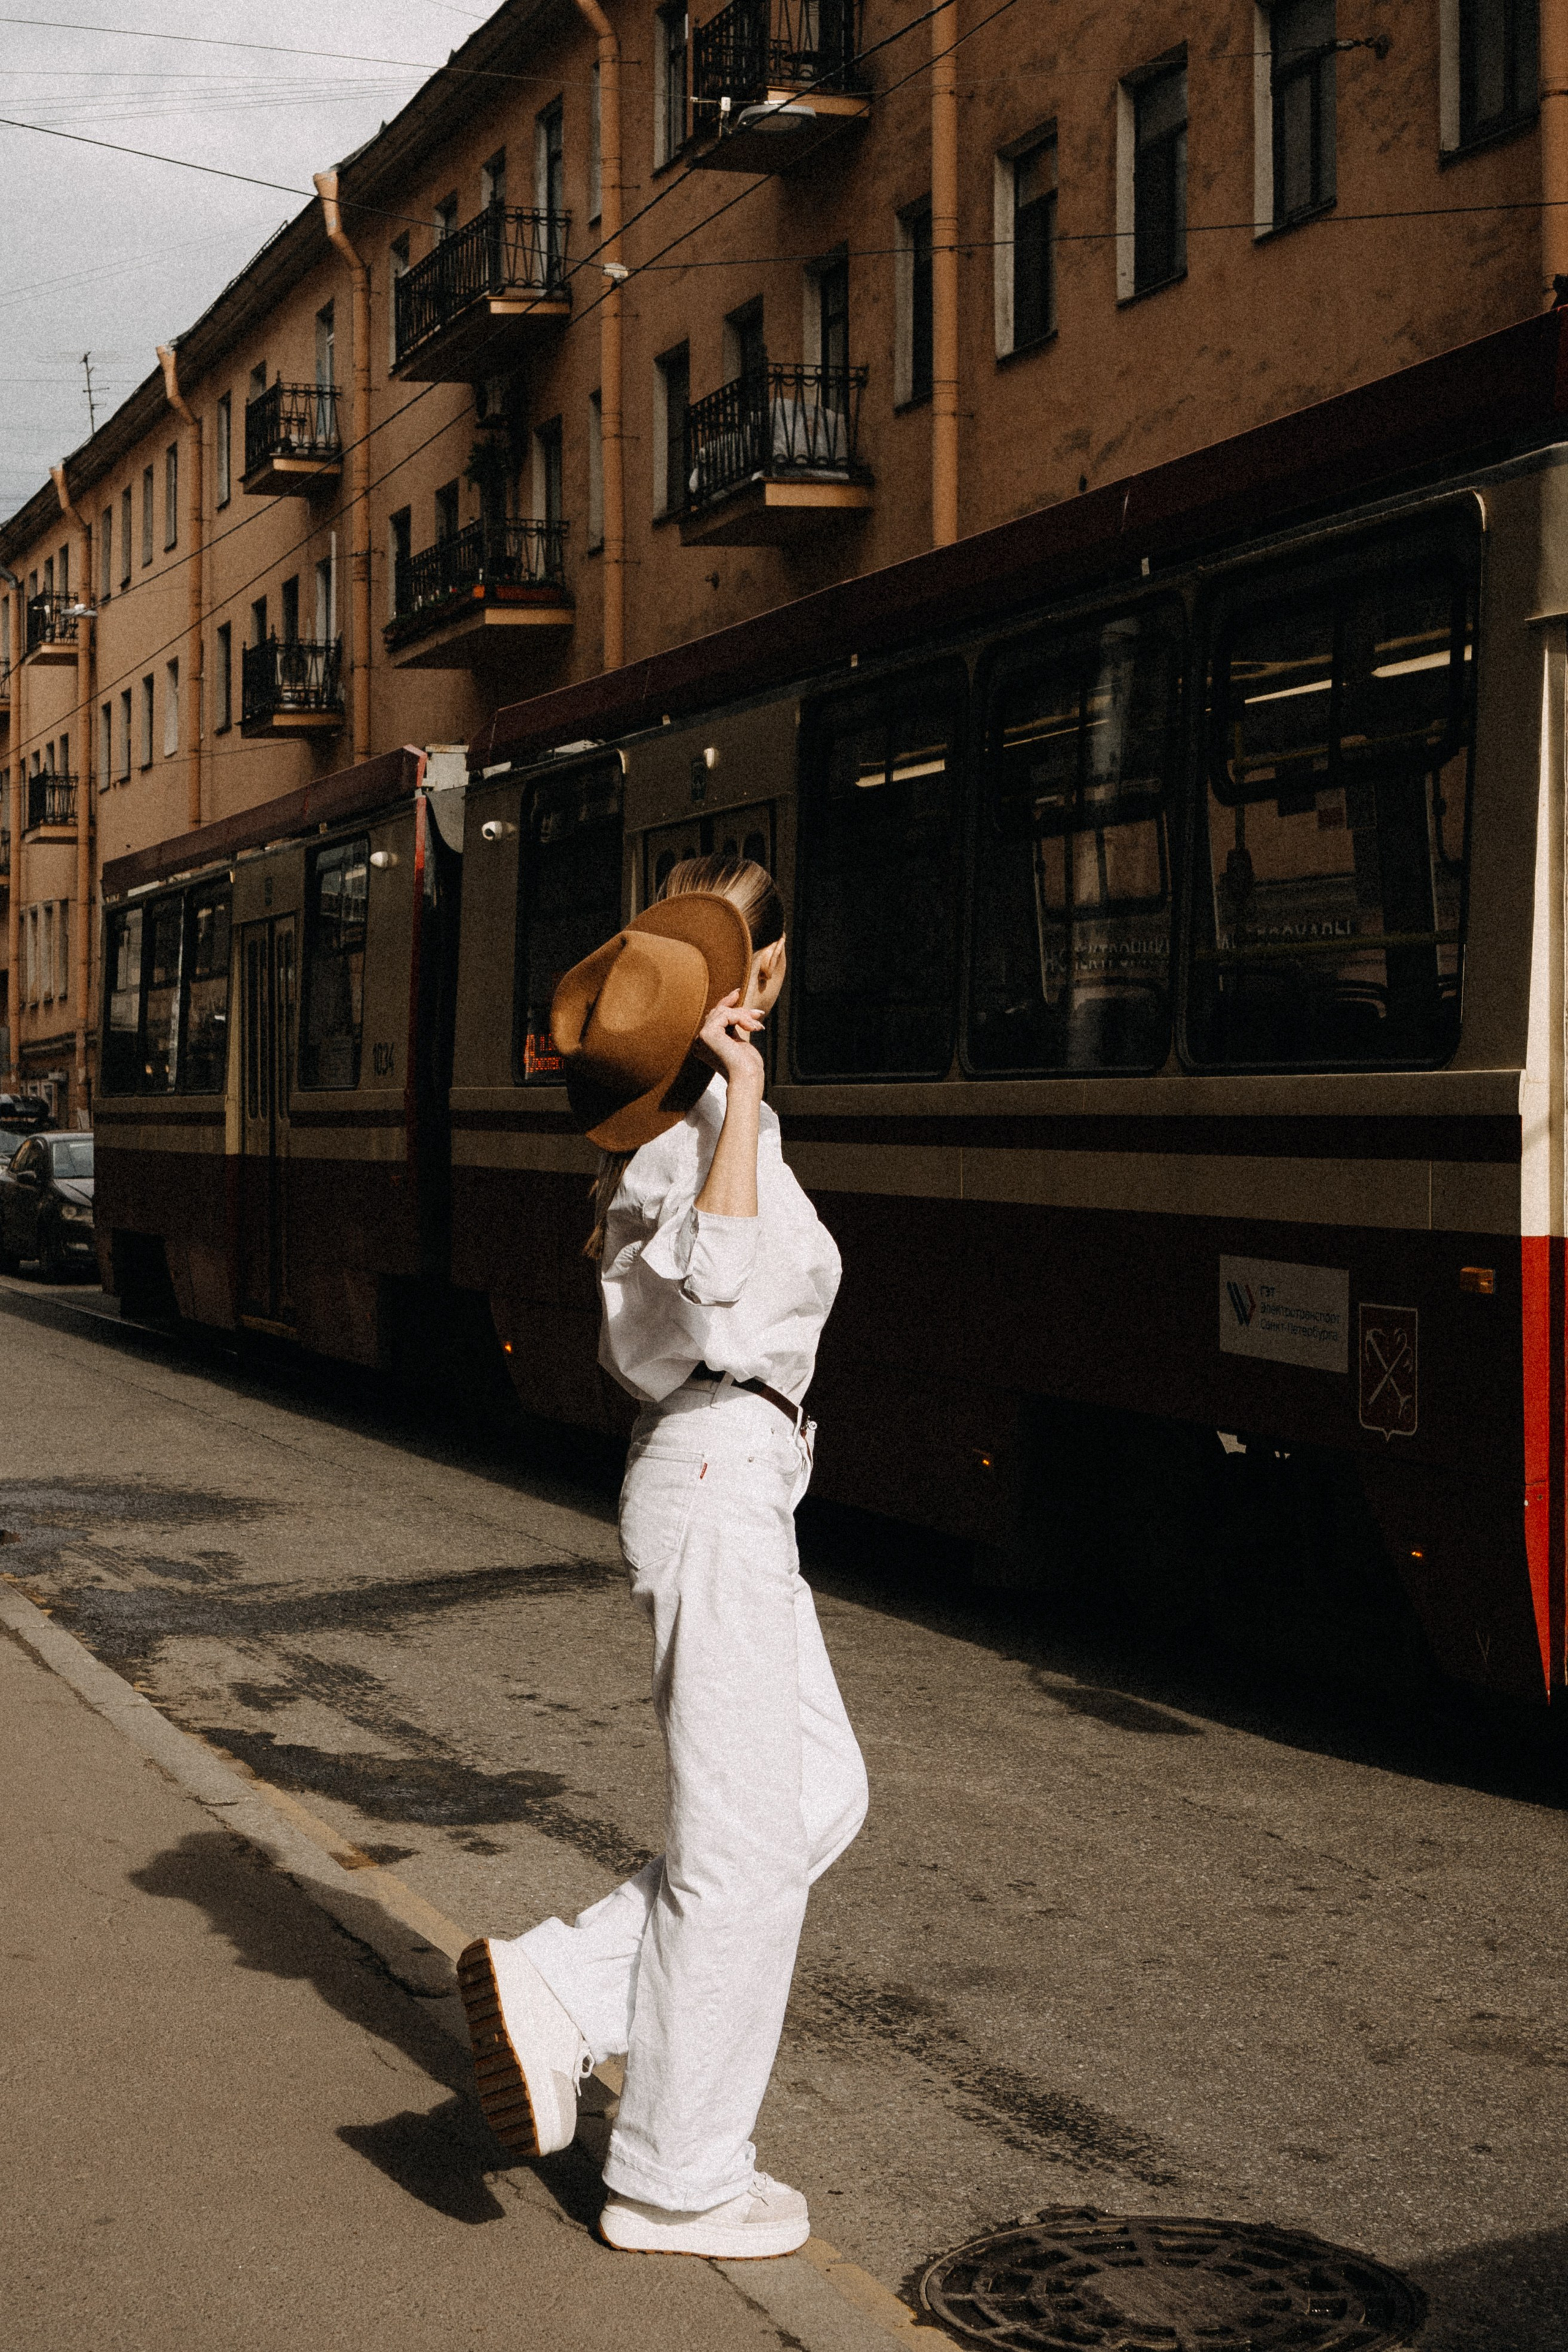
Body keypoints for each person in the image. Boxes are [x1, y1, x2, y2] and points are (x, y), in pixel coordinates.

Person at [458, 854, 867, 2260]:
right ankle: (676, 2174)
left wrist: (737, 1091)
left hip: (733, 1477)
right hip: (714, 1469)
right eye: (751, 965)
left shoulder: (679, 1136)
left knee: (816, 1793)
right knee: (742, 1849)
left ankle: (563, 1990)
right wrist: (743, 1094)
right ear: (725, 1007)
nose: (768, 979)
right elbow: (722, 1287)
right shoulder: (696, 1142)